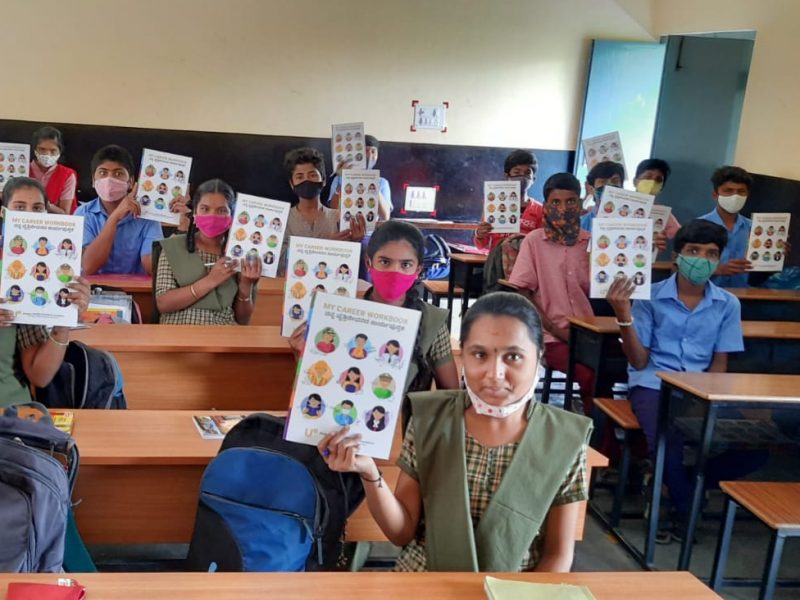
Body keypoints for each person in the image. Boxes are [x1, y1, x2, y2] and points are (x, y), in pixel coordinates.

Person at [319, 292, 592, 571]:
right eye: (480, 355)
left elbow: (557, 556)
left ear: (539, 357)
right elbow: (401, 533)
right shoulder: (430, 419)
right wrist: (369, 472)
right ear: (463, 354)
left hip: (511, 587)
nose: (494, 373)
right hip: (424, 579)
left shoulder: (563, 439)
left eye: (513, 356)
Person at [605, 219, 760, 542]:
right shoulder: (649, 296)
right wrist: (623, 316)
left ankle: (671, 485)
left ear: (718, 260)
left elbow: (720, 363)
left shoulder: (727, 304)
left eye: (711, 253)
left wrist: (712, 404)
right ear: (677, 256)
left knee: (755, 449)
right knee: (668, 444)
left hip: (700, 388)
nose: (702, 259)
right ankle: (687, 509)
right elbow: (639, 361)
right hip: (652, 383)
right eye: (694, 251)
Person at [290, 221, 459, 422]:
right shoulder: (343, 314)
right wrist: (302, 353)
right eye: (385, 262)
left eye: (406, 265)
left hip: (405, 433)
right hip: (342, 424)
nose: (395, 272)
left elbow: (451, 397)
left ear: (418, 269)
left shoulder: (432, 321)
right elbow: (320, 383)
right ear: (368, 263)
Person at [508, 173, 596, 416]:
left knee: (622, 368)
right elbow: (523, 296)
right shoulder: (534, 242)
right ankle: (600, 435)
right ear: (546, 206)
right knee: (590, 375)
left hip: (591, 334)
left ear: (580, 204)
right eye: (556, 202)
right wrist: (557, 331)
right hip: (551, 335)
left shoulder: (592, 244)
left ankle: (611, 427)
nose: (563, 208)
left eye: (571, 201)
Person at [0, 177, 90, 406]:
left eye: (38, 209)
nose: (29, 216)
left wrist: (64, 319)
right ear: (4, 212)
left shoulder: (25, 281)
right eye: (20, 207)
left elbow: (39, 376)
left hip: (11, 412)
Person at [155, 179, 260, 325]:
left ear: (232, 216)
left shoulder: (239, 254)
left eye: (222, 210)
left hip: (224, 333)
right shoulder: (174, 246)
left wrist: (246, 285)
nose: (212, 216)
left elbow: (242, 320)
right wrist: (211, 280)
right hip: (179, 332)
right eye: (205, 209)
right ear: (194, 212)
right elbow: (163, 304)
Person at [76, 145, 163, 275]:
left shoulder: (147, 215)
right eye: (103, 173)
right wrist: (114, 217)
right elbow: (88, 266)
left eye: (118, 173)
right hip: (93, 287)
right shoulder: (83, 213)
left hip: (134, 287)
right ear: (93, 181)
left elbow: (152, 268)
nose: (109, 179)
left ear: (131, 181)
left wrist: (178, 225)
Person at [280, 147, 366, 274]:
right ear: (292, 184)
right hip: (290, 284)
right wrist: (326, 246)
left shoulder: (339, 218)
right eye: (299, 177)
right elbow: (280, 261)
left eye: (312, 175)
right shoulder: (281, 220)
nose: (306, 180)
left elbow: (347, 264)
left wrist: (356, 241)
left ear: (324, 180)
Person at [475, 149, 545, 251]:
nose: (522, 176)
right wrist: (480, 234)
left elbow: (541, 245)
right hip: (497, 259)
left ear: (533, 179)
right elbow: (481, 245)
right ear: (507, 176)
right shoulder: (493, 205)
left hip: (526, 259)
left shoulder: (540, 210)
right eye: (517, 172)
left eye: (527, 173)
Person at [699, 166, 755, 288]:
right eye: (728, 190)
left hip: (744, 295)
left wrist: (775, 252)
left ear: (747, 195)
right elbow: (679, 267)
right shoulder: (698, 227)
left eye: (741, 191)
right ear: (715, 195)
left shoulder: (754, 228)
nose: (735, 196)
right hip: (705, 294)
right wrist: (717, 269)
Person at [327, 135, 392, 220]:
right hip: (344, 226)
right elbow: (333, 210)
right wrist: (344, 178)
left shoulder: (382, 182)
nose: (369, 155)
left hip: (371, 228)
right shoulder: (339, 178)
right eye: (366, 151)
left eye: (373, 151)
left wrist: (371, 180)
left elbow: (385, 217)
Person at [28, 126, 78, 215]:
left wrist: (44, 205)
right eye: (42, 149)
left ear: (60, 151)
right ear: (35, 149)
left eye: (53, 151)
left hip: (54, 222)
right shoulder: (22, 169)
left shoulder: (67, 175)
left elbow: (65, 212)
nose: (47, 155)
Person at [579, 160, 625, 232]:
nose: (609, 186)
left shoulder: (634, 221)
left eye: (615, 181)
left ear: (622, 187)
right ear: (591, 189)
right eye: (602, 182)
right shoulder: (580, 225)